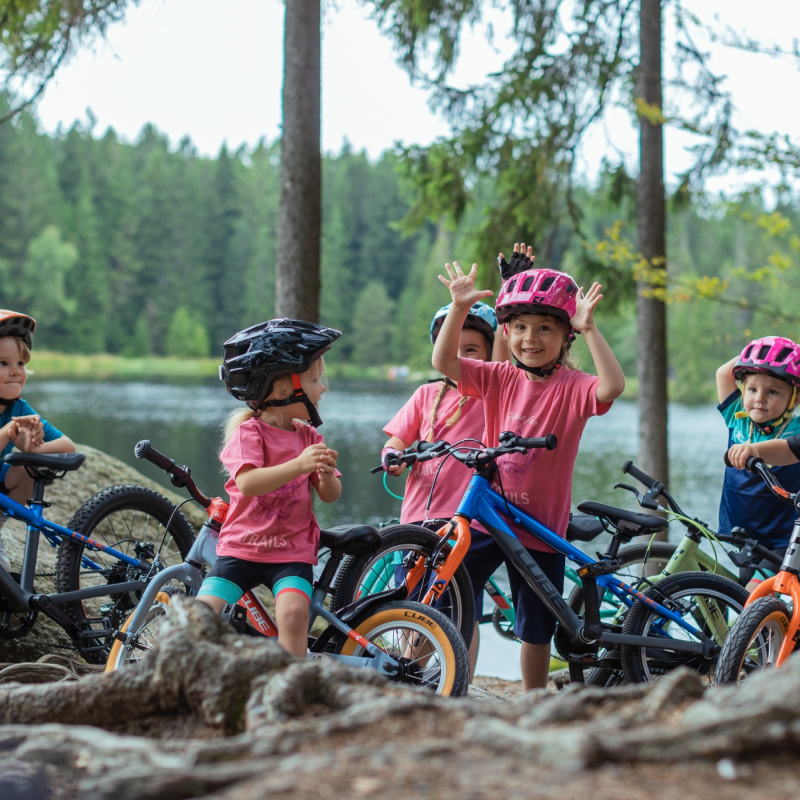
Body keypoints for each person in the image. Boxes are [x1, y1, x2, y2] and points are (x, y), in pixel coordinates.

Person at [432, 249, 625, 691]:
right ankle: (450, 686)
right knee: (454, 598)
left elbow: (613, 385)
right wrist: (460, 308)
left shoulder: (574, 388)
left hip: (541, 528)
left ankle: (533, 700)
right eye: (519, 328)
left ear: (565, 337)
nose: (530, 338)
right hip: (489, 518)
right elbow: (444, 364)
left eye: (544, 329)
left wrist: (591, 328)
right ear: (507, 332)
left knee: (535, 629)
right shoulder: (500, 377)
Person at [199, 318, 342, 658]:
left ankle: (290, 687)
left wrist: (325, 475)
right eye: (314, 379)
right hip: (240, 549)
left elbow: (329, 494)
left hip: (291, 553)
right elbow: (248, 482)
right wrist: (300, 465)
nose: (322, 388)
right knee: (201, 613)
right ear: (282, 390)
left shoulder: (309, 437)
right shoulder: (249, 433)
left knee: (293, 614)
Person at [382, 301, 496, 674]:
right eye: (454, 350)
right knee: (414, 598)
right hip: (418, 521)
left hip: (466, 525)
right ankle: (412, 672)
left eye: (473, 351)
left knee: (462, 605)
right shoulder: (425, 395)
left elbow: (510, 364)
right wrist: (393, 457)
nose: (461, 358)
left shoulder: (491, 394)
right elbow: (396, 440)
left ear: (490, 354)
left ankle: (456, 679)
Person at [716, 336, 800, 585]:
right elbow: (723, 374)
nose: (759, 398)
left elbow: (787, 449)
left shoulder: (795, 431)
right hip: (737, 534)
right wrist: (758, 349)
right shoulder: (737, 418)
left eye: (772, 391)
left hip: (780, 542)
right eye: (752, 389)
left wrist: (794, 357)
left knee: (756, 595)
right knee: (719, 599)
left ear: (794, 398)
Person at [0, 310, 75, 573]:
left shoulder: (21, 409)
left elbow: (68, 446)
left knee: (24, 463)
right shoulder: (15, 419)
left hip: (6, 495)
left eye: (20, 364)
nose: (15, 372)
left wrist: (33, 448)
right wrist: (10, 430)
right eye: (3, 364)